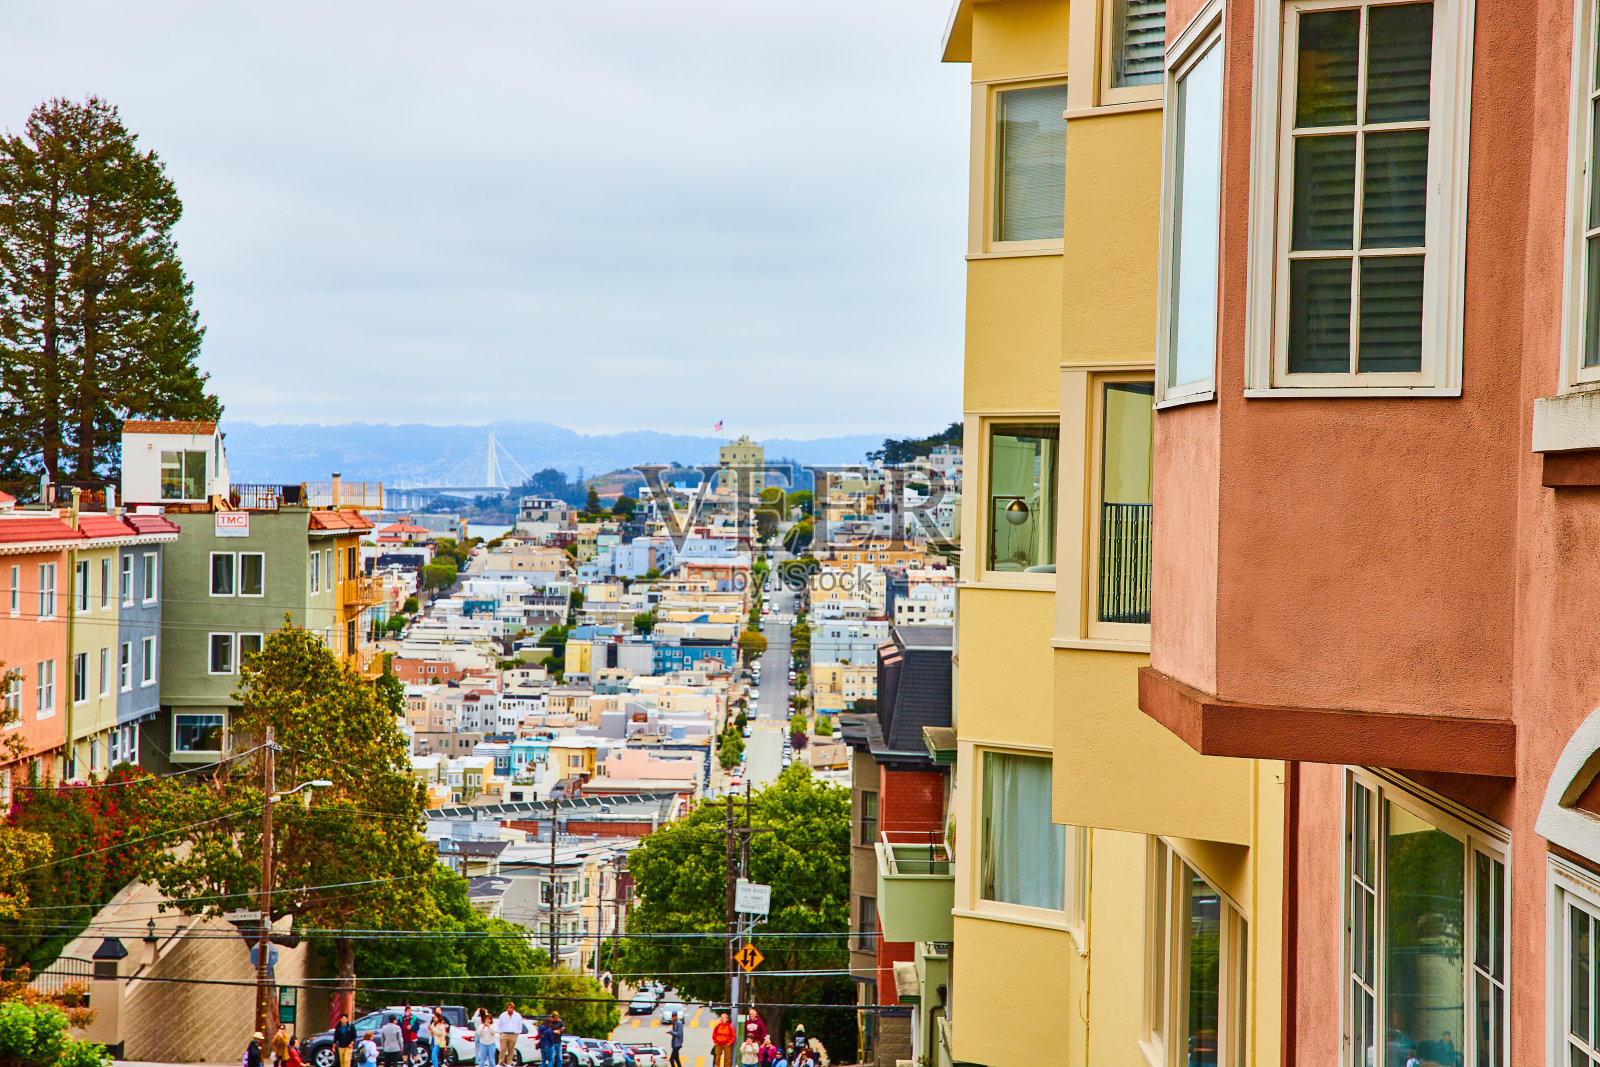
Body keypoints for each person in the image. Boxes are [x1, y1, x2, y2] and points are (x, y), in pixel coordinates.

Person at [495, 1001, 525, 1067]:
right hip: (504, 1034)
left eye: (511, 1008)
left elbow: (520, 1025)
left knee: (511, 1050)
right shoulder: (503, 1015)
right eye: (508, 1008)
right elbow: (499, 1024)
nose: (509, 1009)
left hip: (513, 1034)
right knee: (502, 1049)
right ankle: (500, 1063)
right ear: (507, 1008)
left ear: (513, 1008)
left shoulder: (517, 1015)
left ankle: (509, 1063)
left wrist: (517, 1033)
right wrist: (500, 1032)